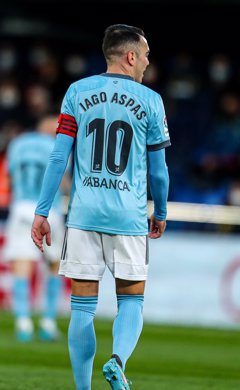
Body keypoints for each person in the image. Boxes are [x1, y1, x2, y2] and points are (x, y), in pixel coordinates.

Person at [31, 24, 170, 390]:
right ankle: (118, 362)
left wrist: (42, 211)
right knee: (131, 299)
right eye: (145, 54)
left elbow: (59, 155)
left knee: (81, 308)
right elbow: (159, 169)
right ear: (130, 56)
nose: (146, 61)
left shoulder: (77, 92)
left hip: (83, 215)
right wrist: (162, 212)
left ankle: (82, 388)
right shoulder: (151, 101)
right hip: (128, 216)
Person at [3, 114, 70, 342]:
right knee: (54, 264)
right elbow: (63, 180)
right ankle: (48, 322)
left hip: (21, 207)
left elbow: (10, 176)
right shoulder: (57, 145)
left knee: (22, 263)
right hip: (48, 209)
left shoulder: (17, 144)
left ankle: (23, 323)